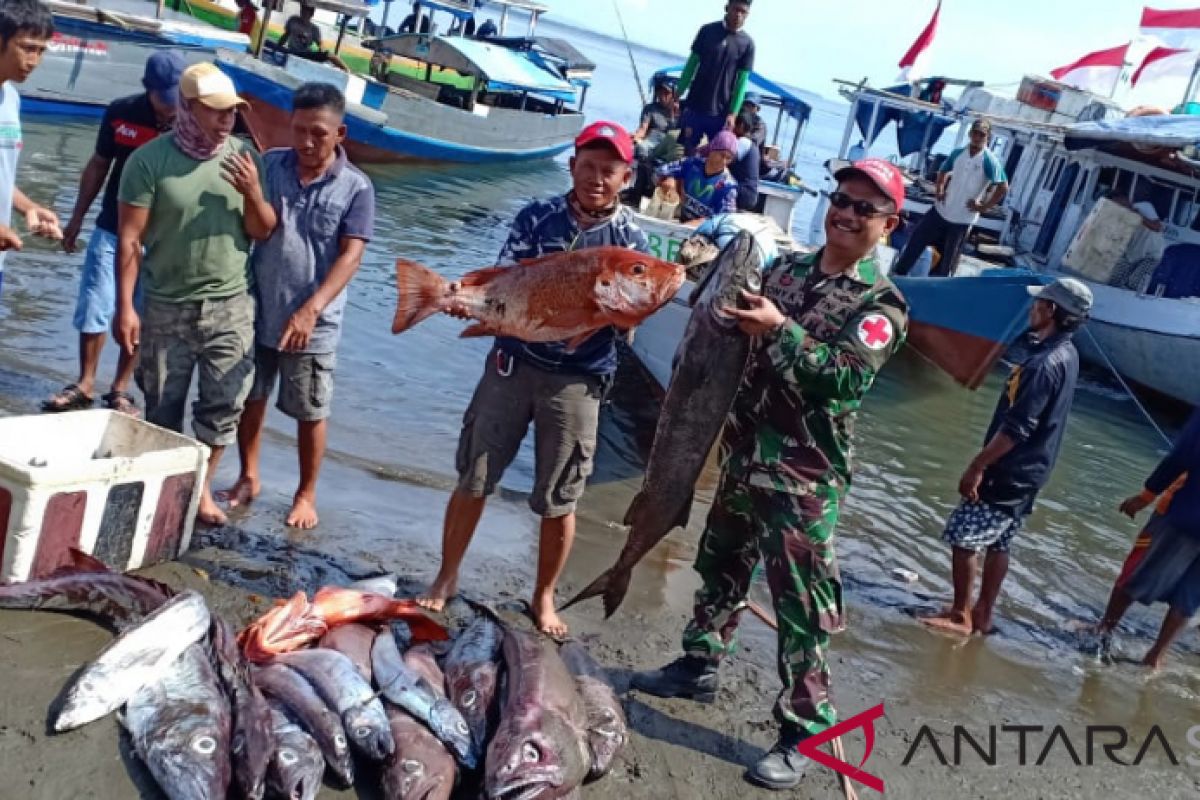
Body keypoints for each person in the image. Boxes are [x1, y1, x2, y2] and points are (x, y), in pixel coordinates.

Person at [631, 159, 910, 791]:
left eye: (864, 208)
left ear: (889, 224)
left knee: (801, 608)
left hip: (804, 479)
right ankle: (698, 664)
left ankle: (805, 728)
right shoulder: (784, 271)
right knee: (720, 565)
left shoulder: (881, 305)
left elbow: (842, 379)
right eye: (840, 198)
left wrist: (779, 331)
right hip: (741, 454)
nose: (845, 212)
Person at [417, 122, 648, 637]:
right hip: (511, 367)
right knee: (474, 474)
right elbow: (504, 278)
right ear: (572, 166)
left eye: (608, 170)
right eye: (587, 166)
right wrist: (470, 304)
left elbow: (635, 309)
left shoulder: (632, 242)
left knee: (560, 495)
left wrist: (625, 314)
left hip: (578, 380)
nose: (596, 178)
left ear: (626, 177)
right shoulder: (535, 216)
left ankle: (544, 597)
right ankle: (446, 574)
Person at [115, 63, 277, 526]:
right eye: (216, 111)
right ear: (187, 107)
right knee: (163, 404)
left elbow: (262, 230)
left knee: (224, 402)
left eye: (233, 112)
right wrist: (126, 306)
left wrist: (251, 191)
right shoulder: (148, 162)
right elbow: (130, 240)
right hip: (166, 302)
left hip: (231, 302)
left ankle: (201, 488)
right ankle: (165, 488)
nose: (227, 121)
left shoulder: (246, 156)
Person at [223, 83, 374, 530]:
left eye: (319, 134)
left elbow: (351, 255)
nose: (307, 143)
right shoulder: (270, 165)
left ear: (340, 133)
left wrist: (312, 308)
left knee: (310, 410)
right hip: (258, 306)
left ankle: (306, 494)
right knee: (250, 396)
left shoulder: (356, 187)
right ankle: (249, 476)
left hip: (314, 322)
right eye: (299, 130)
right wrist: (252, 192)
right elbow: (257, 230)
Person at [920, 278, 1092, 636]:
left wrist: (977, 466)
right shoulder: (1068, 353)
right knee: (1000, 541)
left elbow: (1017, 428)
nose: (1033, 308)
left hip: (1011, 468)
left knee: (965, 538)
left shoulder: (1042, 364)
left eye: (1039, 303)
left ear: (1051, 311)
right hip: (1035, 470)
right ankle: (982, 614)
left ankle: (959, 615)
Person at [43, 52, 186, 417]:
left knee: (141, 312)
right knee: (95, 304)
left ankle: (120, 388)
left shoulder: (193, 121)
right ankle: (85, 382)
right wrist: (76, 217)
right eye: (165, 98)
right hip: (112, 227)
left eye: (178, 98)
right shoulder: (121, 112)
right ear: (148, 90)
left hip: (162, 238)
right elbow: (99, 165)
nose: (172, 108)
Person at [1090, 409, 1200, 669]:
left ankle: (1104, 629)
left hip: (1183, 514)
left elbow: (1182, 456)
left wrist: (1145, 497)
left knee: (1135, 573)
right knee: (1189, 597)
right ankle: (1156, 656)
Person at [893, 118, 1008, 277]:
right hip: (942, 210)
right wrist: (939, 189)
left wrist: (983, 207)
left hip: (962, 218)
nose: (977, 137)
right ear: (970, 134)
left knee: (949, 259)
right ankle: (898, 274)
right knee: (916, 240)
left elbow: (1003, 187)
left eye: (981, 134)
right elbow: (943, 171)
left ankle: (940, 289)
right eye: (975, 133)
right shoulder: (958, 153)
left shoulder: (990, 160)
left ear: (988, 137)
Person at [0, 0, 60, 293]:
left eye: (41, 50)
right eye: (27, 47)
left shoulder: (11, 98)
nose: (35, 61)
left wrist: (29, 208)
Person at [676, 0, 755, 156]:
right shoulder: (707, 31)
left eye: (743, 12)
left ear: (747, 15)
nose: (738, 15)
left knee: (714, 158)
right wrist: (678, 94)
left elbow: (742, 82)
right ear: (727, 8)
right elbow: (691, 65)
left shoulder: (748, 44)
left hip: (720, 114)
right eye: (735, 9)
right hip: (694, 107)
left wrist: (733, 113)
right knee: (684, 154)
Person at [655, 129, 739, 223]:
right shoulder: (693, 163)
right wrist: (670, 178)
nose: (723, 161)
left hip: (702, 231)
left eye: (728, 158)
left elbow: (725, 218)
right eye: (721, 155)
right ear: (712, 149)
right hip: (678, 218)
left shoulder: (728, 185)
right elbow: (661, 170)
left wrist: (700, 224)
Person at [1111, 200, 1166, 291]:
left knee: (1135, 284)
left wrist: (1135, 214)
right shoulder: (1117, 215)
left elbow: (1157, 227)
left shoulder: (1143, 207)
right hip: (1131, 254)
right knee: (1113, 280)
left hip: (1151, 254)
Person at [279, 2, 349, 69]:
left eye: (307, 12)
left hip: (305, 54)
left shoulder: (314, 29)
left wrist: (321, 52)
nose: (304, 13)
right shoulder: (293, 20)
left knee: (329, 54)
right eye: (303, 10)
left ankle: (346, 70)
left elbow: (320, 44)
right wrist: (278, 46)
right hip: (292, 51)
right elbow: (285, 35)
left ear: (312, 14)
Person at [632, 80, 678, 160]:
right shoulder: (650, 108)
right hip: (652, 140)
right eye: (660, 93)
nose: (662, 96)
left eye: (666, 93)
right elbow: (643, 129)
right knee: (641, 148)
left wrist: (672, 113)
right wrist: (635, 137)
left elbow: (677, 132)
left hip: (670, 143)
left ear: (673, 95)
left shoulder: (680, 111)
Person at [730, 113, 760, 211]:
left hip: (744, 193)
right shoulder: (752, 145)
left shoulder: (743, 142)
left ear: (741, 125)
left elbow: (725, 161)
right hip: (749, 194)